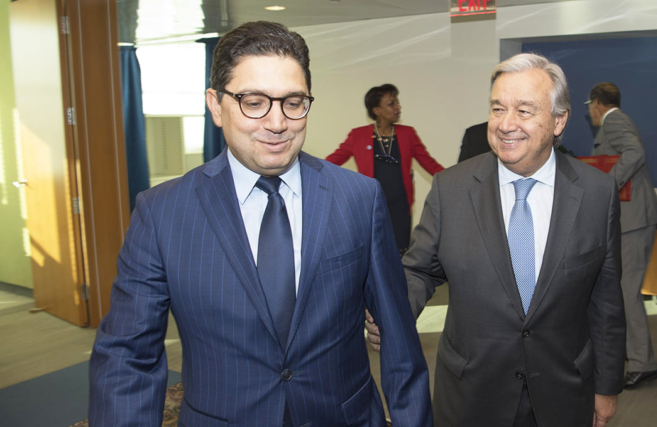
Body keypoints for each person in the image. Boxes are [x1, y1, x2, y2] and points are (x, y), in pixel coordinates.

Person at [89, 21, 432, 427]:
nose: (277, 122)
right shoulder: (162, 213)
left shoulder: (359, 198)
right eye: (253, 102)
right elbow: (128, 359)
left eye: (293, 102)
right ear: (216, 105)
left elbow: (398, 340)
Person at [368, 53, 626, 426]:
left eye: (524, 110)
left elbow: (607, 300)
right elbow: (419, 270)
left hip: (564, 392)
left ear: (559, 120)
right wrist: (392, 312)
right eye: (497, 108)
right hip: (472, 393)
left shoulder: (597, 193)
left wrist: (606, 386)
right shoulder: (451, 189)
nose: (506, 124)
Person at [587, 82, 657, 389]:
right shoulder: (616, 121)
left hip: (634, 221)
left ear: (597, 103)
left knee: (627, 291)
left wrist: (607, 184)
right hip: (629, 221)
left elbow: (635, 153)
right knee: (621, 291)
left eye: (590, 107)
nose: (590, 113)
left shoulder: (614, 120)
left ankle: (643, 363)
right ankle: (631, 354)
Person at [326, 84, 444, 255]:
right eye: (391, 103)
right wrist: (308, 170)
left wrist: (455, 178)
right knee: (373, 249)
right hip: (371, 203)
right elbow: (333, 161)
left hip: (400, 203)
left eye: (397, 102)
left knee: (400, 250)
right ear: (377, 110)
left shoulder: (408, 134)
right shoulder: (358, 135)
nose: (398, 107)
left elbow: (429, 163)